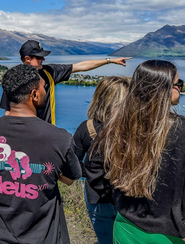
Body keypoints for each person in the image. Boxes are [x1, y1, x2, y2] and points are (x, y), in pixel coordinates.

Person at [88, 60, 185, 244]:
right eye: (177, 84)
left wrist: (118, 201)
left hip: (127, 230)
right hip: (177, 233)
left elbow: (95, 171)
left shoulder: (113, 127)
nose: (181, 88)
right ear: (162, 89)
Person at [0, 64, 82, 243]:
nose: (45, 92)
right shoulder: (59, 138)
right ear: (34, 95)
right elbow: (69, 179)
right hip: (44, 235)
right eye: (43, 88)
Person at [0, 40, 131, 124]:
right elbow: (8, 112)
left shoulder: (49, 71)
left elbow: (80, 66)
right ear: (27, 58)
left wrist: (109, 61)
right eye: (39, 57)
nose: (43, 60)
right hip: (25, 131)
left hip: (46, 130)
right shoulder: (15, 79)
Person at [73, 76, 129, 244]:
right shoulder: (134, 129)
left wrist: (89, 172)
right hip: (129, 198)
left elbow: (73, 165)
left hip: (98, 198)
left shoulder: (87, 128)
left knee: (105, 240)